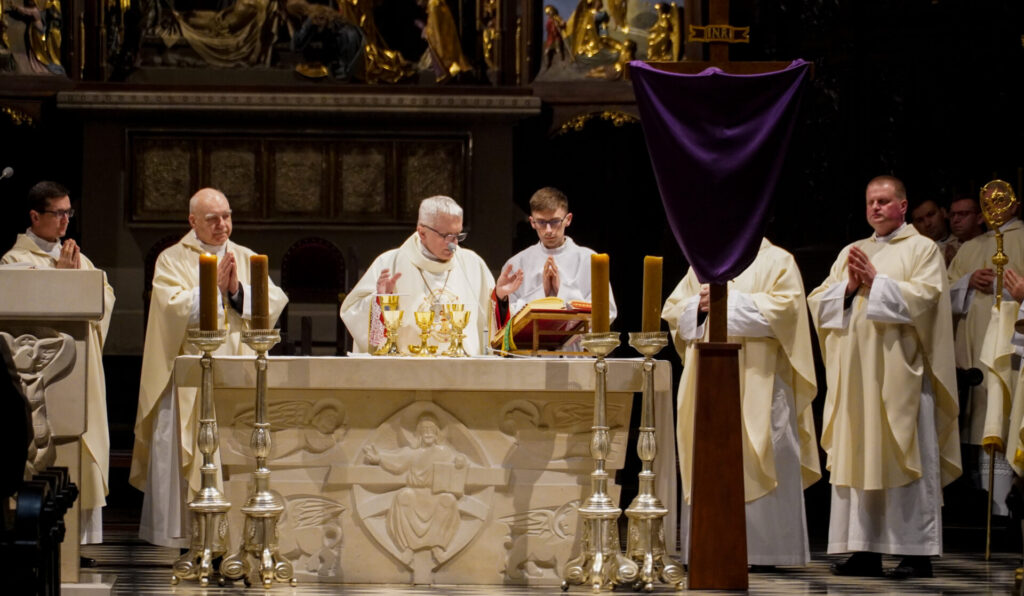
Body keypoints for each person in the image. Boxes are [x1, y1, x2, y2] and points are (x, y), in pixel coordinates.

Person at [807, 175, 960, 579]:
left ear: (903, 206)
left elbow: (927, 300)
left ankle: (915, 552)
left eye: (884, 201)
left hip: (901, 377)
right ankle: (864, 549)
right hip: (857, 378)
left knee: (904, 454)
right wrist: (848, 288)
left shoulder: (923, 249)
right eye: (870, 201)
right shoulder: (850, 252)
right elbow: (818, 301)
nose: (875, 208)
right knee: (859, 454)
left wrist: (878, 283)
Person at [132, 187, 288, 547]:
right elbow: (169, 310)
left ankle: (233, 532)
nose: (223, 225)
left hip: (240, 372)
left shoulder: (246, 256)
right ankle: (186, 535)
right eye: (213, 219)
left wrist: (235, 292)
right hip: (191, 374)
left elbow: (275, 300)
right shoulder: (172, 259)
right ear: (193, 222)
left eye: (227, 216)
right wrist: (213, 291)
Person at [662, 238, 819, 568]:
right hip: (709, 379)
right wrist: (701, 307)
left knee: (765, 450)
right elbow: (676, 312)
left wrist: (725, 301)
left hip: (763, 380)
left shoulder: (779, 260)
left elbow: (786, 315)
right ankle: (710, 545)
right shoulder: (705, 262)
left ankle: (765, 552)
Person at [1, 181, 115, 544]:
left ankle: (78, 545)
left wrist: (78, 279)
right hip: (44, 377)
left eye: (69, 212)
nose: (66, 220)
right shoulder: (13, 261)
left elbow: (105, 298)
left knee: (83, 448)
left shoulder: (80, 256)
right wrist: (64, 283)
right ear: (35, 216)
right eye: (58, 213)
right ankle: (42, 542)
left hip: (82, 373)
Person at [340, 195, 502, 356]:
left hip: (463, 371)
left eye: (458, 235)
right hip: (409, 372)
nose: (454, 243)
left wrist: (501, 298)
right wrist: (381, 300)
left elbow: (491, 318)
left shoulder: (472, 264)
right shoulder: (390, 263)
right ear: (422, 232)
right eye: (446, 236)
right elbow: (354, 313)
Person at [947, 198, 1024, 514]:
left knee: (1009, 421)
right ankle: (987, 509)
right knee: (981, 424)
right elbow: (942, 295)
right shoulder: (969, 248)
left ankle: (1009, 512)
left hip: (1014, 349)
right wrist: (966, 283)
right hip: (975, 353)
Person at [495, 187, 617, 323]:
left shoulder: (589, 260)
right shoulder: (517, 263)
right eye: (541, 222)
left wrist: (563, 290)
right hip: (531, 344)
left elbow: (607, 314)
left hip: (576, 344)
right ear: (532, 222)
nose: (548, 230)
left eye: (555, 222)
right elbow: (506, 323)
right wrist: (541, 293)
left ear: (568, 219)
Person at [910, 199, 956, 264]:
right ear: (914, 226)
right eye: (920, 220)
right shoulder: (913, 255)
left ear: (943, 212)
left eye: (930, 215)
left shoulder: (963, 241)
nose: (927, 223)